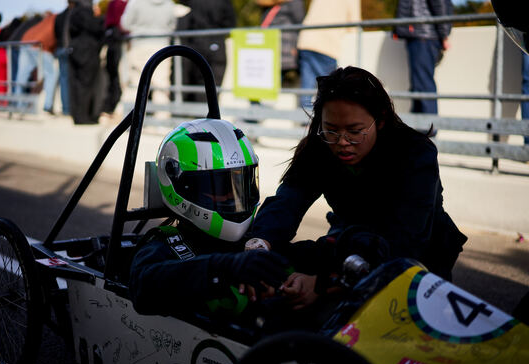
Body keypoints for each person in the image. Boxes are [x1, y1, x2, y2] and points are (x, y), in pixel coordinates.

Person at [246, 66, 467, 309]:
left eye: (354, 132)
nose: (342, 142)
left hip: (416, 260)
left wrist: (323, 285)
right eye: (331, 130)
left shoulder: (414, 154)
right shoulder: (319, 147)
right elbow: (288, 202)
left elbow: (405, 242)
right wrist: (259, 246)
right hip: (351, 244)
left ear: (380, 120)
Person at [128, 118, 289, 317]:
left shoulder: (255, 241)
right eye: (221, 187)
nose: (233, 197)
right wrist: (222, 270)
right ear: (183, 186)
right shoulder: (162, 245)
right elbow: (143, 288)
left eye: (240, 185)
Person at [297, 0, 361, 111]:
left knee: (307, 89)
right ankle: (325, 123)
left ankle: (304, 122)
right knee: (330, 91)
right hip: (327, 43)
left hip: (306, 40)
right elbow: (355, 23)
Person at [394, 0, 453, 114]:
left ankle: (428, 128)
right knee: (418, 86)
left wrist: (444, 35)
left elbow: (439, 4)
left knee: (423, 85)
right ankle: (420, 127)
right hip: (420, 34)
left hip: (423, 35)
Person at [175, 0, 236, 102]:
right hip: (216, 44)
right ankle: (207, 113)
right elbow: (230, 23)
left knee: (200, 83)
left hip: (197, 44)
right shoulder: (224, 2)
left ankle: (200, 113)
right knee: (213, 85)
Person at [121, 0, 176, 113]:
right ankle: (161, 120)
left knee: (136, 82)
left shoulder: (136, 2)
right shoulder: (169, 3)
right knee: (161, 84)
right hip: (162, 43)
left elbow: (125, 23)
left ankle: (131, 121)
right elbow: (172, 25)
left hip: (139, 43)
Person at [68, 0, 105, 124]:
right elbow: (93, 27)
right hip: (86, 51)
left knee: (77, 84)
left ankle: (79, 115)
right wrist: (102, 20)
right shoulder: (83, 11)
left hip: (77, 49)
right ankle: (82, 117)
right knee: (85, 84)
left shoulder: (74, 11)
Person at [15, 12, 59, 115]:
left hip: (26, 42)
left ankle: (19, 105)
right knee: (51, 74)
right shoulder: (56, 19)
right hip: (40, 45)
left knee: (22, 75)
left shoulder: (43, 21)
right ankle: (47, 106)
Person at [256, 0, 305, 86]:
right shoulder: (293, 3)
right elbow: (300, 22)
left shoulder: (268, 4)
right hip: (285, 48)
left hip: (272, 47)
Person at [102, 0, 128, 115]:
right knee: (118, 76)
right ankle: (114, 106)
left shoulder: (113, 3)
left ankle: (112, 106)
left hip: (113, 41)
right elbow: (123, 24)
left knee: (115, 76)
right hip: (117, 41)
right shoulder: (119, 4)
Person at [55, 0, 78, 116]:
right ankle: (69, 109)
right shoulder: (74, 14)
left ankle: (66, 109)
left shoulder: (59, 16)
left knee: (64, 80)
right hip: (69, 49)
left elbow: (56, 32)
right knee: (70, 79)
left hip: (60, 49)